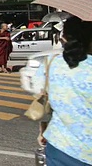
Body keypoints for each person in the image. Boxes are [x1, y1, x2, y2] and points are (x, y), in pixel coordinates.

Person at [36, 16, 92, 165]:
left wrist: (43, 129)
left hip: (58, 147)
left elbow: (43, 100)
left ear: (64, 37)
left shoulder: (51, 62)